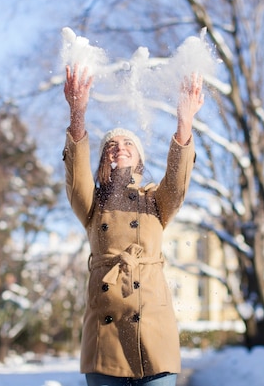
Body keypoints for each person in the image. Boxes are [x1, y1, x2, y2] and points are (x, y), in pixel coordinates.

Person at [62, 63, 204, 386]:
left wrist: (185, 121)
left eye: (128, 145)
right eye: (111, 147)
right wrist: (77, 113)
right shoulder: (93, 204)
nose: (119, 149)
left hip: (153, 332)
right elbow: (76, 180)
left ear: (139, 161)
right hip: (104, 336)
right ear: (102, 163)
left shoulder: (155, 200)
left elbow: (178, 184)